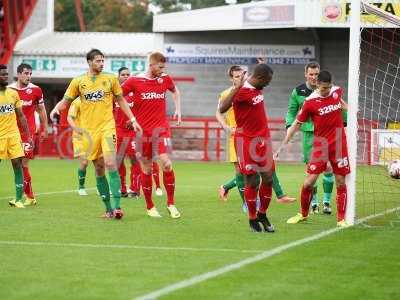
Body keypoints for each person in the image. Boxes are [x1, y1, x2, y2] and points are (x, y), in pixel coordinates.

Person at [50, 49, 141, 219]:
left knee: (110, 163)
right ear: (90, 62)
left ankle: (117, 207)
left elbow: (121, 100)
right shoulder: (78, 81)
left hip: (107, 127)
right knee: (99, 169)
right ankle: (108, 209)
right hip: (89, 133)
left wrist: (133, 119)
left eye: (102, 61)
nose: (101, 63)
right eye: (98, 61)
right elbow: (67, 100)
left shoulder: (110, 79)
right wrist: (55, 108)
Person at [276, 70, 350, 227]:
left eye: (328, 88)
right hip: (321, 145)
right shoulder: (309, 102)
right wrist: (285, 141)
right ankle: (303, 214)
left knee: (341, 180)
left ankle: (341, 219)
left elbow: (341, 103)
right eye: (324, 88)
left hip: (338, 143)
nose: (327, 91)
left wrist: (351, 111)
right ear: (317, 84)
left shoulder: (336, 91)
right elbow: (297, 123)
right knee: (309, 182)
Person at [216, 65, 295, 211]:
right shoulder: (230, 93)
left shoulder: (255, 88)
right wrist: (227, 127)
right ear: (231, 78)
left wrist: (262, 66)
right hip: (239, 136)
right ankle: (246, 203)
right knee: (243, 173)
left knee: (265, 172)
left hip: (258, 138)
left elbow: (259, 76)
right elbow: (220, 110)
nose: (240, 77)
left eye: (242, 74)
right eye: (236, 76)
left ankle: (277, 197)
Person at [121, 51, 181, 218]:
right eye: (160, 67)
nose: (163, 70)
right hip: (142, 132)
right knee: (146, 169)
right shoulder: (134, 81)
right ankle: (150, 206)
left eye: (164, 67)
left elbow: (175, 91)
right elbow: (118, 97)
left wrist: (178, 109)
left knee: (166, 163)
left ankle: (171, 203)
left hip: (161, 129)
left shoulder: (165, 79)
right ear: (151, 65)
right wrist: (132, 118)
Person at [219, 63, 276, 233]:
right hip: (246, 141)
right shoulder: (241, 91)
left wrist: (262, 62)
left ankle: (262, 214)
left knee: (268, 179)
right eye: (267, 81)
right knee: (253, 181)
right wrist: (236, 88)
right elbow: (222, 108)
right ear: (260, 78)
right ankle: (252, 219)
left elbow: (259, 72)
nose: (268, 84)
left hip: (263, 140)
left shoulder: (257, 86)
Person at [285, 62, 335, 214]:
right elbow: (291, 111)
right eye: (311, 74)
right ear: (306, 74)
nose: (314, 77)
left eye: (316, 74)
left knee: (327, 168)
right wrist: (289, 126)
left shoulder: (328, 89)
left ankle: (326, 202)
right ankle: (314, 203)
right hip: (308, 135)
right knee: (311, 172)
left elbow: (338, 107)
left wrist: (344, 124)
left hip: (327, 133)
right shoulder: (298, 91)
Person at [8, 63, 48, 205]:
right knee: (17, 164)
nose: (28, 76)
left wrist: (45, 127)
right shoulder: (9, 90)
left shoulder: (36, 90)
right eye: (26, 73)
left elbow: (42, 110)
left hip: (28, 132)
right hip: (11, 132)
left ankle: (27, 196)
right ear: (18, 74)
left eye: (30, 74)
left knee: (22, 162)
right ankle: (29, 196)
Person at [0, 64, 32, 208]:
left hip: (13, 135)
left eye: (6, 74)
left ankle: (18, 199)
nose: (5, 76)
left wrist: (28, 135)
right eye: (3, 74)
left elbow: (21, 116)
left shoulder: (13, 93)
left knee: (17, 164)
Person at [114, 67, 142, 198]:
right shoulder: (114, 94)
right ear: (118, 76)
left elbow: (142, 111)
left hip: (132, 133)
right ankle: (122, 188)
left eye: (128, 75)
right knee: (118, 161)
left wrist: (135, 121)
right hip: (118, 131)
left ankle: (135, 189)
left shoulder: (135, 93)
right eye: (123, 75)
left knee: (134, 160)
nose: (126, 77)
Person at [67, 98, 89, 196]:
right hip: (79, 137)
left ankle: (99, 186)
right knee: (84, 162)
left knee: (99, 163)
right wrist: (76, 128)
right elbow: (69, 117)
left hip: (94, 134)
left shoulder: (94, 99)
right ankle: (81, 187)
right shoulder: (77, 102)